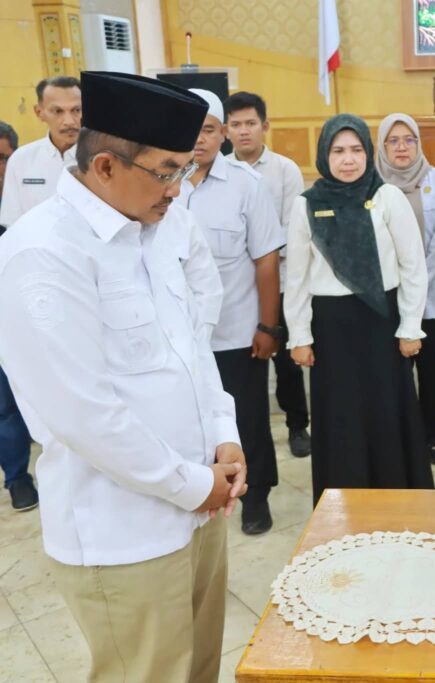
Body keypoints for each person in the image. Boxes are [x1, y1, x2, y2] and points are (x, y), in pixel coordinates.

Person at [0, 70, 246, 683]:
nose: (177, 190)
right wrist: (194, 484)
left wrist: (224, 433)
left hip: (198, 507)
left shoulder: (154, 225)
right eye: (167, 172)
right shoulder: (43, 252)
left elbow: (192, 346)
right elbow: (84, 414)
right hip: (123, 533)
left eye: (184, 170)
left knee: (199, 670)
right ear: (106, 166)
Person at [285, 114, 434, 505]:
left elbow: (413, 266)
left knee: (387, 414)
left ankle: (396, 503)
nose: (348, 159)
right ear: (324, 155)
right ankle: (344, 508)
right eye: (338, 151)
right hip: (331, 330)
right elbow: (297, 278)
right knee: (341, 419)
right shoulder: (306, 205)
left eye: (355, 150)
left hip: (382, 324)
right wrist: (299, 336)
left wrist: (410, 327)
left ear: (368, 153)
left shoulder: (388, 197)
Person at [179, 89, 285, 536]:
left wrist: (267, 325)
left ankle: (256, 495)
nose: (198, 139)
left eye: (207, 130)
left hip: (237, 332)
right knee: (190, 419)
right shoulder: (162, 182)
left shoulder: (246, 184)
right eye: (190, 130)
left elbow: (266, 259)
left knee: (248, 420)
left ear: (223, 132)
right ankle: (203, 491)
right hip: (181, 335)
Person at [223, 91, 311, 458]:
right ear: (226, 130)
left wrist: (263, 258)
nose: (244, 131)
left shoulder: (285, 170)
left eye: (251, 123)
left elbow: (294, 229)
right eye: (236, 124)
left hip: (282, 282)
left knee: (287, 363)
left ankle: (297, 426)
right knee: (244, 366)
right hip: (238, 287)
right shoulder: (220, 171)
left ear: (265, 126)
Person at [375, 112, 435, 465]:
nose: (402, 147)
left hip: (431, 298)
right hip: (387, 299)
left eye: (409, 140)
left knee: (433, 375)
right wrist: (400, 283)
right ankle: (403, 438)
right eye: (393, 140)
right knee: (394, 377)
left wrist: (416, 282)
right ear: (382, 146)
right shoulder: (370, 186)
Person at [0, 120, 36, 512]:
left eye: (2, 157)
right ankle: (18, 478)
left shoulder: (25, 196)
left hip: (32, 308)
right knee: (4, 404)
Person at [0, 77, 80, 227]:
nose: (69, 121)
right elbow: (12, 223)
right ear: (39, 112)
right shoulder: (21, 160)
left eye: (76, 110)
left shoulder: (102, 159)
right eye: (58, 111)